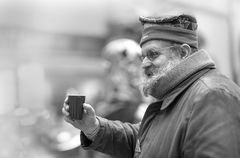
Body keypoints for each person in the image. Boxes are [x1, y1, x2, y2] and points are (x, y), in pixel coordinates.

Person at [62, 14, 240, 158]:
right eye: (143, 56)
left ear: (183, 53)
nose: (144, 64)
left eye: (153, 54)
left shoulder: (213, 95)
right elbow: (142, 140)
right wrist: (92, 126)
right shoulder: (176, 94)